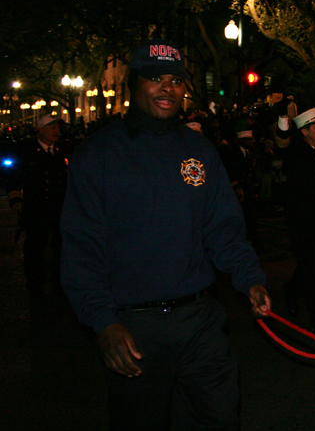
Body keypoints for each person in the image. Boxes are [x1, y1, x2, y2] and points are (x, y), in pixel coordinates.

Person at [60, 39, 271, 431]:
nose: (167, 88)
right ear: (133, 84)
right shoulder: (98, 156)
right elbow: (81, 250)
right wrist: (103, 322)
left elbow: (223, 228)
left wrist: (250, 279)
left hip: (200, 321)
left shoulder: (200, 151)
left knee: (221, 418)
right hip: (134, 328)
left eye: (176, 80)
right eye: (155, 78)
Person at [278, 107, 315, 335]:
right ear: (304, 131)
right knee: (312, 271)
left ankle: (291, 290)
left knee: (312, 267)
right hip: (303, 223)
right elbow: (282, 143)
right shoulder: (296, 152)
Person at [7, 115, 72, 305]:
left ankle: (59, 285)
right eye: (51, 127)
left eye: (57, 127)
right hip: (36, 209)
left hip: (59, 208)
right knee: (35, 249)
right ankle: (35, 286)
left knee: (62, 249)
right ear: (41, 130)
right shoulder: (26, 152)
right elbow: (13, 177)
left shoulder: (63, 150)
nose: (56, 131)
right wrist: (16, 200)